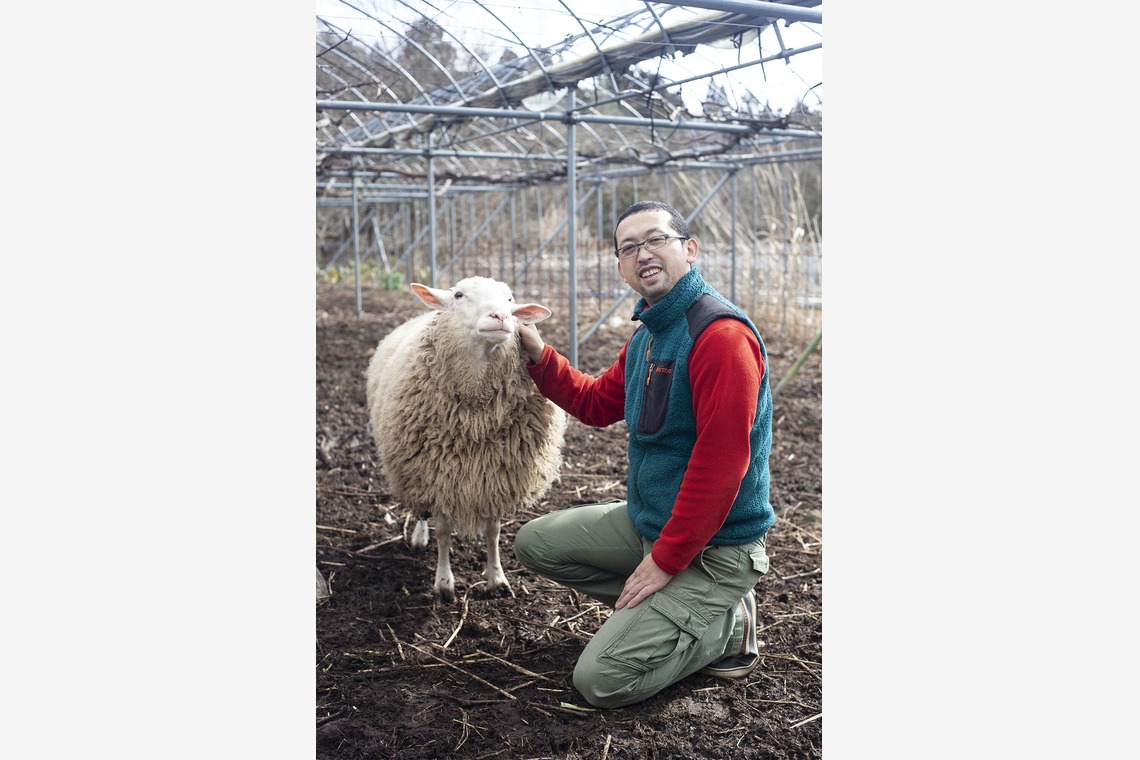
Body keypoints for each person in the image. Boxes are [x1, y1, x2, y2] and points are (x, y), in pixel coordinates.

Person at [514, 200, 775, 709]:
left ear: (689, 250)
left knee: (601, 681)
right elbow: (596, 403)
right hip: (652, 522)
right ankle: (683, 613)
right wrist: (540, 356)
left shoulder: (721, 338)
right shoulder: (648, 337)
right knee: (536, 544)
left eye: (656, 239)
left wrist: (664, 561)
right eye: (629, 247)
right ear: (620, 267)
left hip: (717, 546)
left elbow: (722, 468)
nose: (643, 253)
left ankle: (725, 627)